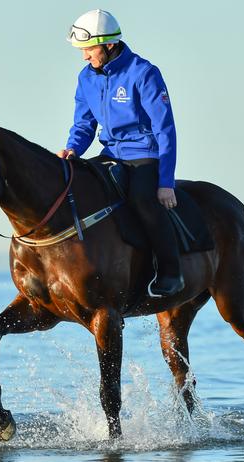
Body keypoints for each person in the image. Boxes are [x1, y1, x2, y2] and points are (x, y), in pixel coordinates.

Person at [57, 9, 184, 297]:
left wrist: (166, 183)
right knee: (76, 186)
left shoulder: (144, 73)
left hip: (144, 154)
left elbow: (165, 130)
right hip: (110, 152)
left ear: (109, 44)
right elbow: (83, 124)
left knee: (142, 200)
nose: (84, 56)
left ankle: (171, 273)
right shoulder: (86, 78)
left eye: (88, 49)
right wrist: (73, 149)